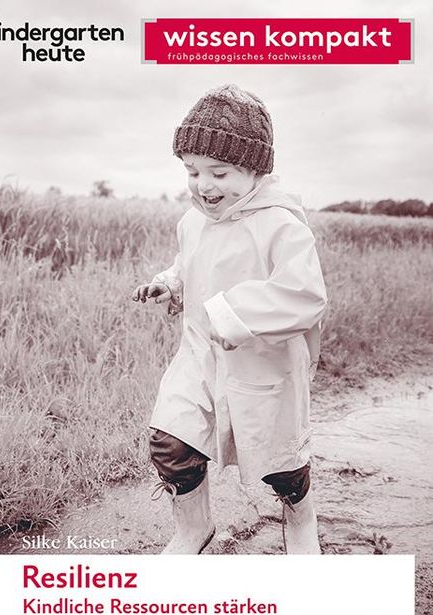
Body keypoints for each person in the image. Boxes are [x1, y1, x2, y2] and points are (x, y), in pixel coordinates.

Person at [132, 84, 327, 555]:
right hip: (199, 354)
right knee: (171, 441)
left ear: (256, 169)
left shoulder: (281, 224)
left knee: (280, 463)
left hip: (264, 364)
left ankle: (301, 517)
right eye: (192, 171)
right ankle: (193, 528)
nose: (203, 185)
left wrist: (235, 312)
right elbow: (190, 264)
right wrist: (171, 283)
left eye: (219, 172)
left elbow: (305, 295)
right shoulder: (192, 221)